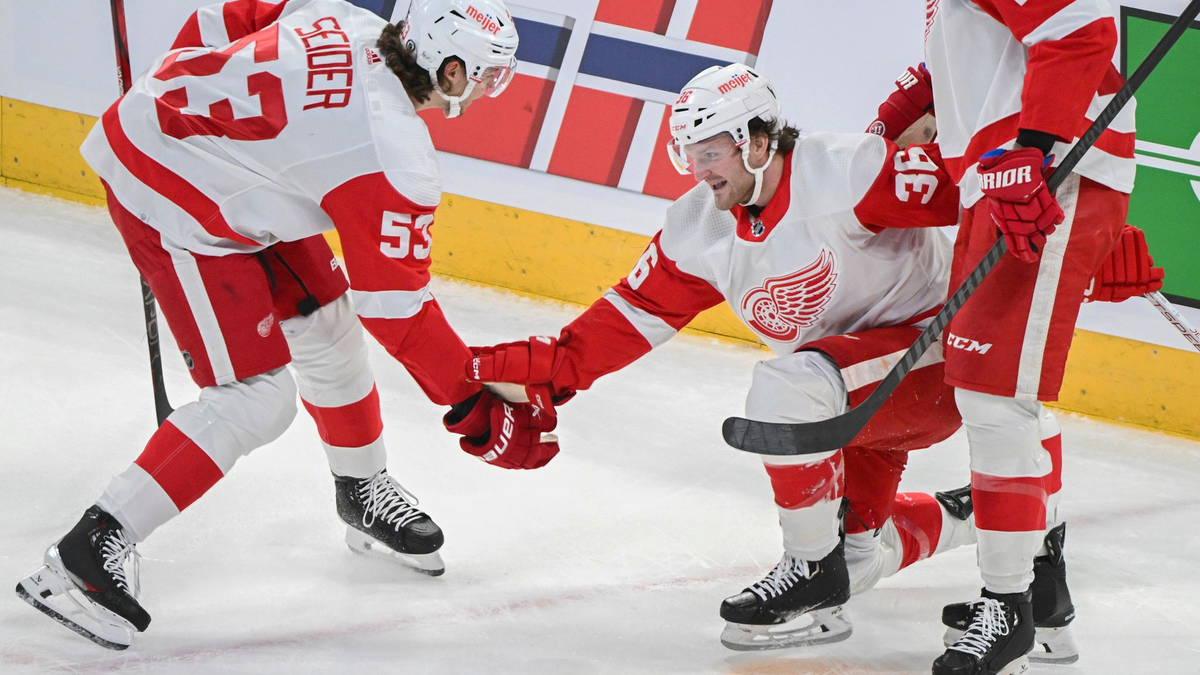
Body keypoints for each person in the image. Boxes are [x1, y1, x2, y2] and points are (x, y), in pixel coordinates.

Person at [15, 0, 557, 651]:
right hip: (170, 190)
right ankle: (86, 553)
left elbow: (230, 15)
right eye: (487, 73)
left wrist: (177, 87)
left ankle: (360, 488)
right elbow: (398, 311)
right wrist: (474, 405)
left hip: (229, 168)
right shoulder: (392, 152)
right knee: (255, 399)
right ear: (450, 70)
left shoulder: (339, 16)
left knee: (329, 324)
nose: (492, 88)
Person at [460, 62, 984, 650]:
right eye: (688, 154)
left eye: (710, 153)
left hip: (941, 363)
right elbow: (628, 318)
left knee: (787, 389)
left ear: (757, 143)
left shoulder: (848, 171)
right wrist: (537, 375)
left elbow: (986, 189)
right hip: (850, 406)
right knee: (857, 558)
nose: (698, 171)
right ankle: (974, 515)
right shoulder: (699, 227)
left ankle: (810, 569)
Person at [866, 60, 1161, 669]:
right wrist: (887, 130)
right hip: (1002, 169)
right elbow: (963, 59)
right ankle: (1039, 588)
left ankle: (1012, 605)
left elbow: (1071, 40)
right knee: (1004, 398)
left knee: (999, 401)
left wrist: (1039, 153)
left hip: (1030, 166)